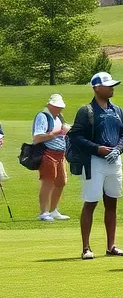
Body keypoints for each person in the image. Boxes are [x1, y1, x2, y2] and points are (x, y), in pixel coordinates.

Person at [71, 72, 123, 260]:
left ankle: (111, 245)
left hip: (114, 161)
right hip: (94, 162)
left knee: (112, 202)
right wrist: (98, 149)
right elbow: (75, 136)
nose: (112, 88)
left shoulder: (117, 110)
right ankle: (86, 248)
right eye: (109, 85)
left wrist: (117, 150)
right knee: (91, 202)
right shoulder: (86, 110)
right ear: (96, 88)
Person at [32, 93, 70, 221]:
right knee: (47, 182)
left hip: (60, 154)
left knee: (61, 182)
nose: (60, 109)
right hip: (47, 153)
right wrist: (58, 133)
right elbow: (37, 137)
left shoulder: (59, 117)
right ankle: (43, 212)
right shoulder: (42, 116)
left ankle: (53, 210)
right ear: (50, 105)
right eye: (57, 106)